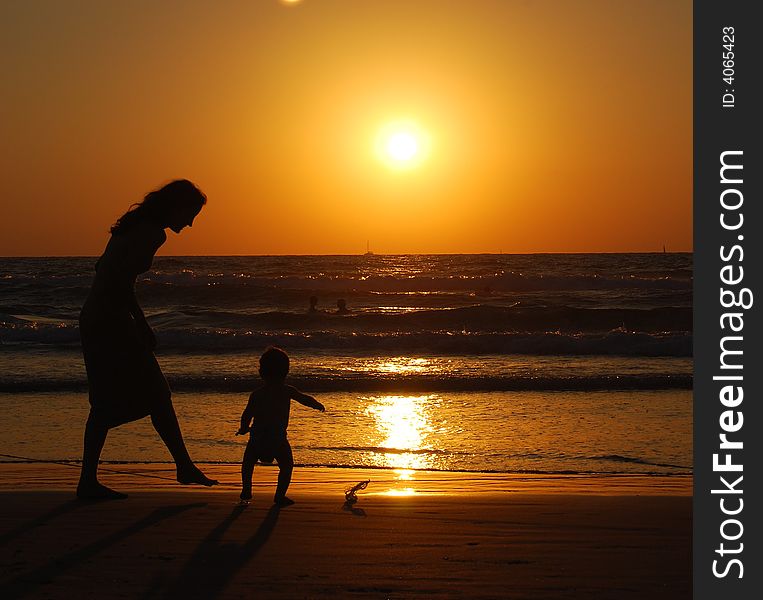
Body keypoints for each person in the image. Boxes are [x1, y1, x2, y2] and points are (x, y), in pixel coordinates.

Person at [77, 179, 218, 500]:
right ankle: (181, 467)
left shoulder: (136, 225)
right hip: (109, 323)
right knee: (152, 393)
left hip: (97, 318)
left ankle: (180, 466)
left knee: (137, 396)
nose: (191, 223)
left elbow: (105, 268)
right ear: (176, 207)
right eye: (191, 214)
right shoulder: (153, 233)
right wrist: (140, 323)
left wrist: (135, 321)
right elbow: (119, 281)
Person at [236, 346, 325, 506]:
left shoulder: (257, 394)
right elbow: (303, 398)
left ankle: (246, 489)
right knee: (286, 466)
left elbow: (247, 414)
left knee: (248, 463)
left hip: (258, 438)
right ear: (286, 371)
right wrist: (316, 404)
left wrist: (243, 428)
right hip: (277, 439)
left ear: (261, 372)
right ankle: (279, 495)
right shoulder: (286, 390)